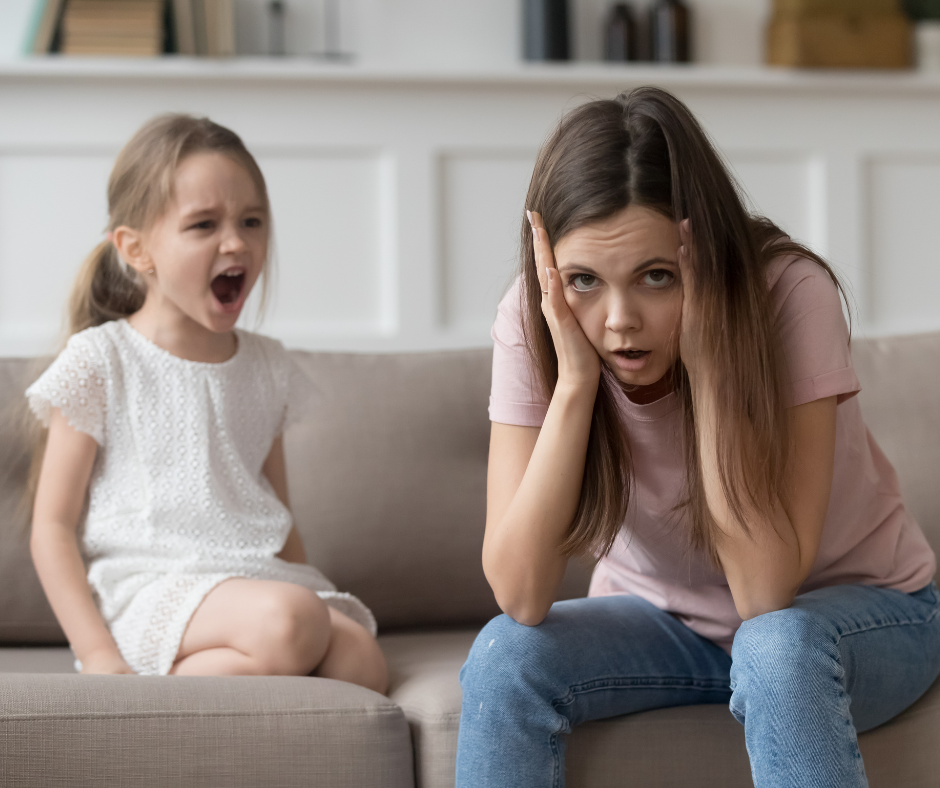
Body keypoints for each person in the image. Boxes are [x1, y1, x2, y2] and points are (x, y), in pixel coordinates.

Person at [456, 87, 940, 787]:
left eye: (657, 277)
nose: (620, 320)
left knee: (775, 648)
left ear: (705, 257)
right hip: (664, 622)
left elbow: (765, 596)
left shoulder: (789, 294)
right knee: (505, 655)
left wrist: (711, 370)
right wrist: (572, 387)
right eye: (586, 280)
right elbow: (521, 595)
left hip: (854, 613)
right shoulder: (537, 318)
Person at [26, 114, 386, 690]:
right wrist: (97, 654)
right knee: (292, 621)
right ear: (136, 249)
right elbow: (51, 526)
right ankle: (146, 689)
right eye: (203, 225)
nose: (236, 242)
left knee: (361, 660)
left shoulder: (267, 366)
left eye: (252, 221)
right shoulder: (101, 361)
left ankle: (175, 696)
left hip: (254, 580)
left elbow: (275, 509)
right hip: (151, 587)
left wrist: (305, 587)